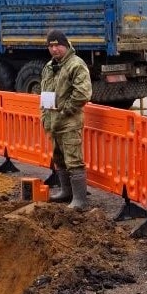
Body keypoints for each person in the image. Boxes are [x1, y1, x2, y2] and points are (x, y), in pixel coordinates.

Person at [39, 29, 92, 210]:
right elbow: (44, 93)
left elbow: (82, 93)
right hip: (53, 122)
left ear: (66, 45)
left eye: (57, 45)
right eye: (51, 46)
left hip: (69, 121)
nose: (54, 49)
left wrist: (65, 111)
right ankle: (66, 192)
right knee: (59, 158)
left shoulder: (75, 65)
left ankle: (80, 200)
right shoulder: (49, 66)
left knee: (73, 159)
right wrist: (45, 116)